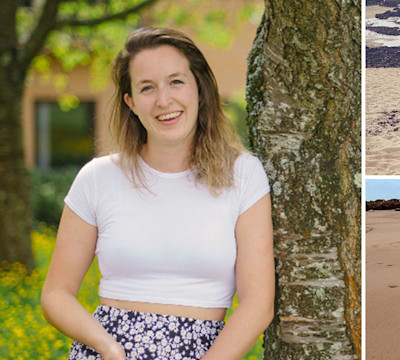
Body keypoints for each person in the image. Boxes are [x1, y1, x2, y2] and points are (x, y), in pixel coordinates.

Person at [41, 27, 274, 360]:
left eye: (176, 81)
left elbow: (258, 303)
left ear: (199, 88)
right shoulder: (97, 178)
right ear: (131, 102)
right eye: (147, 88)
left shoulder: (244, 174)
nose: (164, 100)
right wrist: (107, 347)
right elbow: (56, 294)